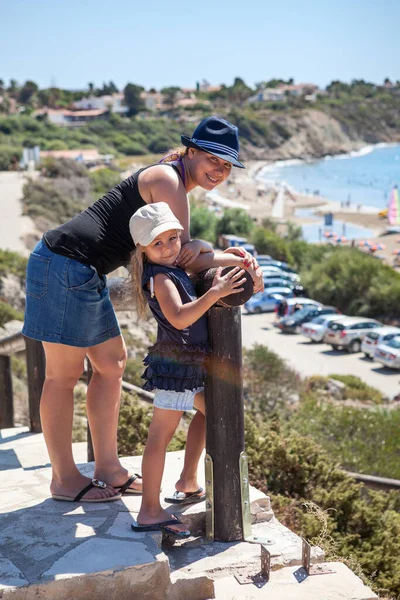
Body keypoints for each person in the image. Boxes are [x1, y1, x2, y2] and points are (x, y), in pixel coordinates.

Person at [22, 116, 263, 503]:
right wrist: (232, 262)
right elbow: (179, 259)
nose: (220, 170)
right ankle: (64, 479)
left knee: (112, 364)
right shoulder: (168, 181)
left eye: (227, 165)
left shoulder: (173, 178)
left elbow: (180, 247)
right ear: (193, 151)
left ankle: (108, 469)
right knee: (62, 376)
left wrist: (215, 253)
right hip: (64, 264)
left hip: (80, 270)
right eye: (214, 159)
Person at [128, 202, 246, 537]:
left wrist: (231, 257)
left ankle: (188, 480)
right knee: (158, 439)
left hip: (187, 365)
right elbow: (180, 316)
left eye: (172, 238)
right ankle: (150, 509)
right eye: (158, 243)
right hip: (175, 368)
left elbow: (203, 257)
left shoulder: (172, 264)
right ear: (143, 249)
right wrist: (215, 293)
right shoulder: (161, 277)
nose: (168, 248)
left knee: (213, 412)